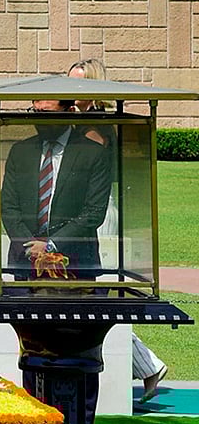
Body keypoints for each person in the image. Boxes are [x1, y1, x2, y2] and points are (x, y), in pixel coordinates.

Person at [1, 98, 112, 424]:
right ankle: (36, 410)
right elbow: (9, 206)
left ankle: (84, 419)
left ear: (67, 113)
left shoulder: (91, 153)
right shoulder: (22, 152)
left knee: (81, 339)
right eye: (33, 111)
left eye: (45, 113)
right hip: (25, 262)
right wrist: (30, 246)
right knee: (32, 341)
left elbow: (93, 213)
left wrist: (51, 246)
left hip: (76, 264)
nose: (37, 119)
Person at [68, 59, 170, 403]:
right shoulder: (76, 123)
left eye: (78, 85)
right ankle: (148, 364)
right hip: (78, 216)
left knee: (97, 301)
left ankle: (148, 364)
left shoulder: (96, 128)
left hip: (95, 216)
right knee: (90, 302)